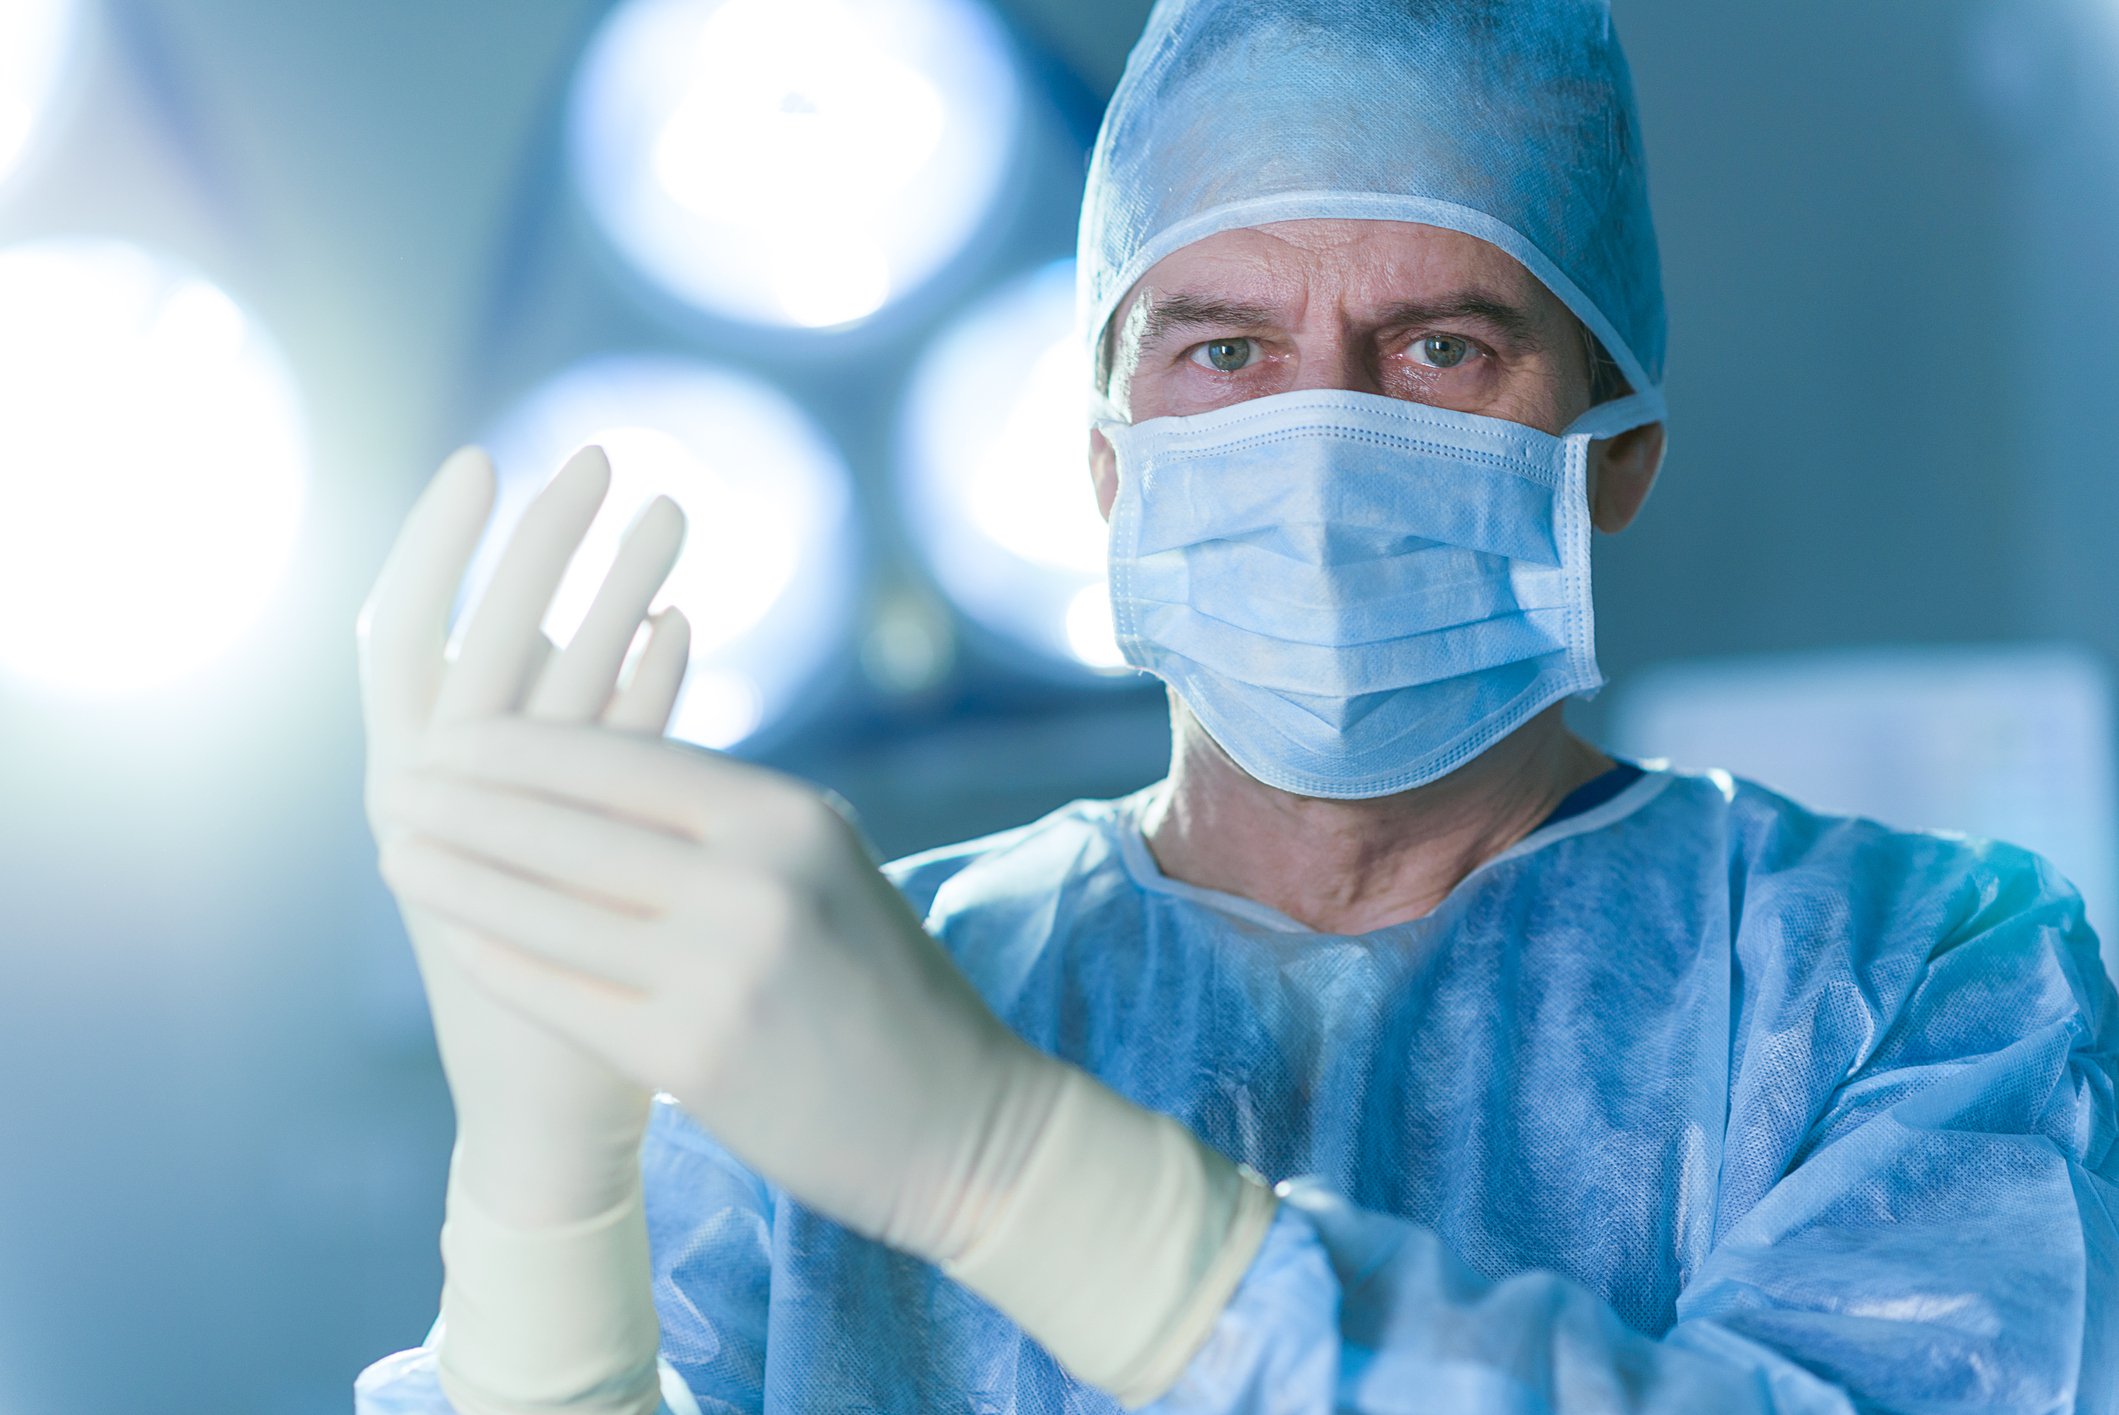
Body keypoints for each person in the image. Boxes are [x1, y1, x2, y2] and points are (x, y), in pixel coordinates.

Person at [354, 1, 2119, 1411]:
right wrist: (541, 1224)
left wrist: (1016, 1176)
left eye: (1442, 346)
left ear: (1616, 454)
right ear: (1108, 466)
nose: (1321, 436)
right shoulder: (845, 998)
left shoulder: (1929, 979)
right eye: (1225, 351)